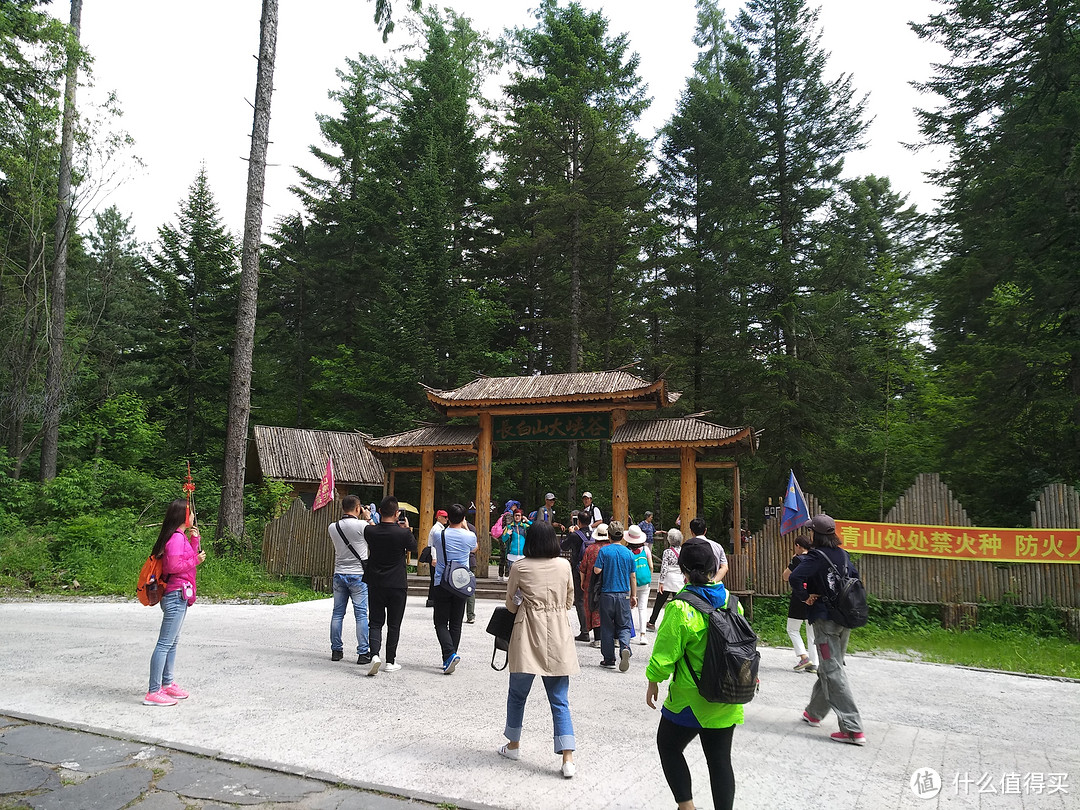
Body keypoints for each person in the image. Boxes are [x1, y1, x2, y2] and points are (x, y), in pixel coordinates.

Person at [645, 540, 744, 810]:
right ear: (714, 567)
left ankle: (686, 807)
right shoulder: (732, 602)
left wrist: (653, 680)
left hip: (691, 698)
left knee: (668, 745)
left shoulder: (680, 607)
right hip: (726, 695)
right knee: (720, 761)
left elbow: (665, 654)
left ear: (683, 570)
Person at [499, 521, 579, 779]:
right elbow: (569, 601)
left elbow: (510, 605)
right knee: (559, 699)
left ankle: (513, 744)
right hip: (557, 632)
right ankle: (567, 757)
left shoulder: (519, 567)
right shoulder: (564, 566)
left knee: (517, 694)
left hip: (527, 632)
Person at [789, 513, 867, 745]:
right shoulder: (843, 555)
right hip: (845, 618)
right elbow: (854, 580)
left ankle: (852, 728)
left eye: (811, 531)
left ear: (816, 535)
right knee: (831, 666)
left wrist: (806, 597)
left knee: (832, 669)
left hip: (825, 620)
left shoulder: (816, 556)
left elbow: (795, 577)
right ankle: (814, 713)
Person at [143, 499, 205, 706]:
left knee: (172, 642)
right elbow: (174, 566)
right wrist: (196, 560)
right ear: (183, 517)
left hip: (180, 594)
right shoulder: (176, 539)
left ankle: (167, 684)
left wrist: (195, 541)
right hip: (175, 594)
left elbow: (186, 558)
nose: (194, 516)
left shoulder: (180, 537)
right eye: (191, 513)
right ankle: (153, 691)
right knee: (164, 643)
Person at [361, 496, 417, 675]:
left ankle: (374, 655)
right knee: (394, 624)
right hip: (397, 583)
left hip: (376, 582)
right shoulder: (403, 533)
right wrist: (406, 528)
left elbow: (371, 527)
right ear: (397, 513)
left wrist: (369, 518)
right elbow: (413, 547)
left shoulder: (370, 532)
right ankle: (390, 661)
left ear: (380, 512)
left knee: (375, 622)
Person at [431, 503, 478, 674]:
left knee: (441, 622)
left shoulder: (439, 534)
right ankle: (450, 656)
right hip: (461, 581)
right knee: (456, 623)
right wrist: (465, 527)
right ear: (464, 518)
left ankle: (449, 655)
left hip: (442, 581)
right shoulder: (469, 536)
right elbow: (474, 548)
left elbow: (435, 548)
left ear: (448, 517)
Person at [328, 495, 372, 664]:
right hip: (358, 575)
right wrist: (367, 516)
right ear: (357, 508)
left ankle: (336, 650)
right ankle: (362, 653)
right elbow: (376, 533)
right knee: (360, 614)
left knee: (338, 613)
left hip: (339, 572)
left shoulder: (333, 527)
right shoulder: (362, 525)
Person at [593, 520, 637, 672]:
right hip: (624, 594)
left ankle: (609, 658)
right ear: (622, 536)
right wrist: (634, 596)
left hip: (607, 594)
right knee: (624, 625)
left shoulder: (604, 551)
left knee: (607, 626)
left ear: (609, 535)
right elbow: (633, 576)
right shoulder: (629, 553)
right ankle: (625, 646)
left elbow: (597, 570)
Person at [782, 534, 817, 673]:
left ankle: (803, 657)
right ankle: (814, 663)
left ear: (798, 546)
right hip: (814, 597)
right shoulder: (815, 558)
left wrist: (791, 562)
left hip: (799, 597)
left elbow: (785, 577)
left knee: (792, 629)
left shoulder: (797, 559)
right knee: (812, 633)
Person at [647, 528, 684, 632]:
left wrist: (661, 582)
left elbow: (664, 568)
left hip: (668, 579)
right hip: (679, 579)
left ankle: (652, 622)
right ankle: (678, 623)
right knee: (678, 603)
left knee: (659, 602)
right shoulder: (683, 551)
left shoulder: (667, 552)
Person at [578, 522, 608, 647]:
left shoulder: (590, 549)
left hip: (592, 584)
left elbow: (582, 567)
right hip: (609, 584)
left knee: (594, 609)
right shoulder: (611, 548)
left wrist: (582, 582)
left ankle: (598, 639)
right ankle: (614, 639)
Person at [561, 512, 590, 641]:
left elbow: (563, 546)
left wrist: (570, 533)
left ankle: (585, 631)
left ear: (578, 521)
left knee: (580, 600)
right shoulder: (594, 534)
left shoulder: (575, 535)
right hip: (593, 569)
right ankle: (598, 633)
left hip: (578, 570)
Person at [626, 524, 653, 645]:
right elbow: (651, 566)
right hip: (644, 582)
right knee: (642, 608)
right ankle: (643, 635)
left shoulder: (627, 551)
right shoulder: (646, 549)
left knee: (630, 607)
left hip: (631, 583)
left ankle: (629, 633)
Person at [686, 517, 729, 583]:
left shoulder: (687, 546)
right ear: (705, 530)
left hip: (694, 586)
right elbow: (724, 567)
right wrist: (714, 581)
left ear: (691, 531)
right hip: (713, 586)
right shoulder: (717, 546)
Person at [422, 509, 449, 607]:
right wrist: (434, 558)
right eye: (445, 517)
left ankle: (432, 598)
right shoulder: (437, 529)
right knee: (435, 578)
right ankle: (432, 599)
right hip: (435, 555)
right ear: (439, 517)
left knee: (435, 577)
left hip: (436, 554)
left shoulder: (439, 528)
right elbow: (434, 545)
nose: (447, 519)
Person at [501, 508, 531, 573]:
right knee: (512, 575)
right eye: (516, 515)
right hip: (511, 555)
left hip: (523, 555)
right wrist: (507, 534)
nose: (517, 517)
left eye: (519, 515)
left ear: (521, 516)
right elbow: (503, 539)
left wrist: (527, 521)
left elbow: (535, 527)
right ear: (513, 516)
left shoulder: (525, 526)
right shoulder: (509, 527)